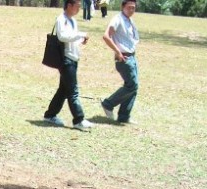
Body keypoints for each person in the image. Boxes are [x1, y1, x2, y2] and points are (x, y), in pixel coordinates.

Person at [43, 0, 93, 131]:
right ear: (69, 5)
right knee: (73, 91)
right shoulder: (61, 19)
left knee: (63, 91)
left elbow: (71, 39)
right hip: (66, 60)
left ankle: (50, 115)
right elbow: (63, 36)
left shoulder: (73, 21)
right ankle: (78, 119)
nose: (79, 8)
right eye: (77, 6)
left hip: (73, 58)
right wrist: (80, 34)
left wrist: (81, 40)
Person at [101, 0, 140, 124]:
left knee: (133, 87)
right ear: (123, 7)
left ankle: (124, 116)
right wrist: (118, 52)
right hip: (124, 58)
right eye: (129, 7)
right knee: (132, 85)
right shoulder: (118, 19)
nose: (131, 10)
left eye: (133, 8)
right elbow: (106, 36)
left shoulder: (129, 20)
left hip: (132, 56)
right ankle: (108, 104)